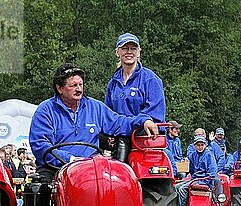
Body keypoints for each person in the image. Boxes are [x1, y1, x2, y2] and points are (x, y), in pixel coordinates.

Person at [29, 63, 158, 182]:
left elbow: (119, 122)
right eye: (73, 86)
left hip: (90, 169)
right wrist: (70, 159)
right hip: (55, 168)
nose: (79, 89)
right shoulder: (45, 111)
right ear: (59, 88)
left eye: (80, 85)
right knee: (39, 190)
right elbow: (40, 145)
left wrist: (143, 120)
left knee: (115, 186)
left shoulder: (95, 107)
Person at [105, 33, 165, 123]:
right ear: (117, 52)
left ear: (138, 52)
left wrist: (131, 124)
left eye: (133, 48)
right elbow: (108, 114)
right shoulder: (113, 83)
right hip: (118, 135)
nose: (129, 52)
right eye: (125, 48)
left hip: (143, 135)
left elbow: (155, 115)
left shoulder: (151, 79)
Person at [175, 136, 217, 206]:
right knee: (176, 187)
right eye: (198, 145)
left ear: (205, 145)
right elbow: (191, 169)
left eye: (202, 145)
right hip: (195, 178)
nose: (200, 147)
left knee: (182, 189)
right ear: (194, 146)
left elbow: (212, 171)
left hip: (204, 180)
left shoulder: (209, 155)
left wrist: (205, 181)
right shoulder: (193, 155)